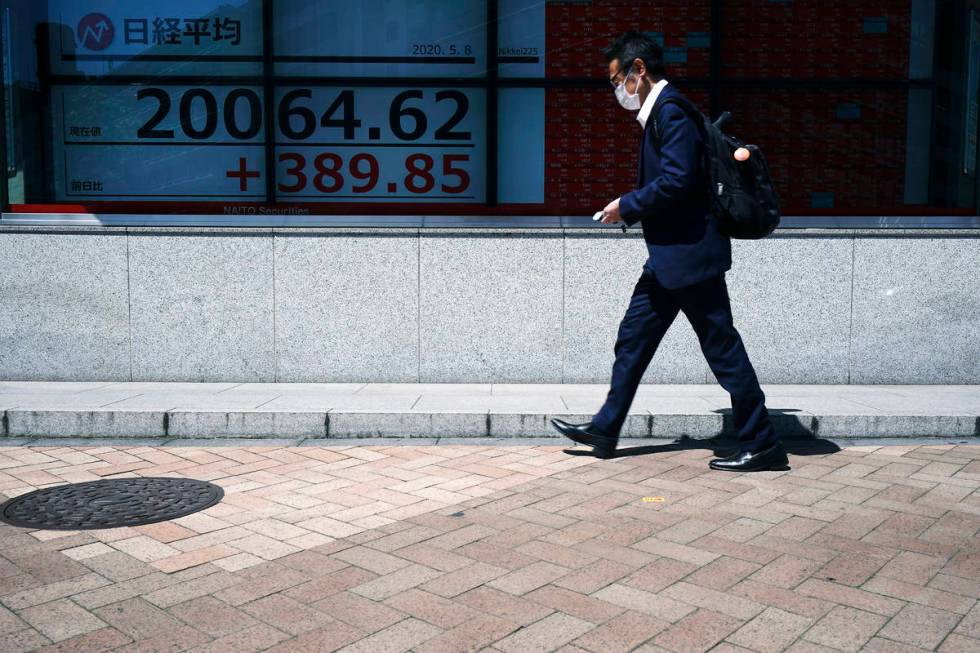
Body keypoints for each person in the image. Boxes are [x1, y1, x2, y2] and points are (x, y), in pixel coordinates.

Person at [550, 31, 787, 472]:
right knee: (633, 339)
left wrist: (628, 205)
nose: (616, 90)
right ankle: (606, 427)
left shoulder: (671, 113)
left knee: (722, 349)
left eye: (617, 79)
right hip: (669, 258)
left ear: (639, 70)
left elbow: (679, 181)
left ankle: (762, 442)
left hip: (690, 258)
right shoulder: (661, 113)